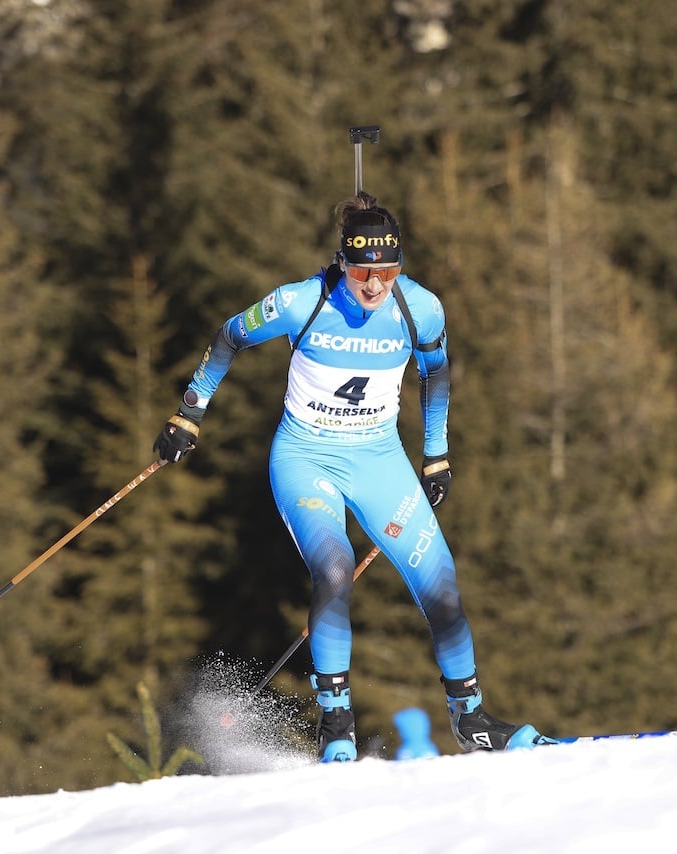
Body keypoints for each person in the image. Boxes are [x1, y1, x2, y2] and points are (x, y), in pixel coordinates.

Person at [154, 192, 554, 761]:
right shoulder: (300, 303)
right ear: (344, 262)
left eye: (387, 273)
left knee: (440, 581)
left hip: (379, 460)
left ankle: (472, 719)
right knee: (335, 568)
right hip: (305, 459)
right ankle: (335, 722)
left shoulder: (421, 308)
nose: (374, 286)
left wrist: (435, 454)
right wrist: (188, 412)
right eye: (364, 272)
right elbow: (229, 337)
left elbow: (435, 373)